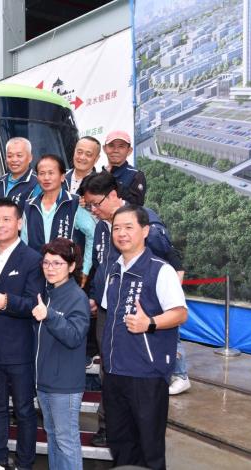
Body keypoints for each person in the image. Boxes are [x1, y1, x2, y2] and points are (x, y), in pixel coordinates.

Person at [79, 171, 184, 446]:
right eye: (88, 205)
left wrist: (158, 314)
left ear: (113, 195)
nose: (93, 209)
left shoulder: (144, 220)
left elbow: (173, 262)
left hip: (139, 312)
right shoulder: (103, 225)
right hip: (107, 309)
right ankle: (109, 426)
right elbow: (101, 264)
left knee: (138, 381)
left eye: (95, 203)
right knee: (110, 370)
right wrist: (94, 294)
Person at [101, 206, 187, 470]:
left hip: (146, 375)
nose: (122, 234)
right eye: (116, 228)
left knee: (149, 449)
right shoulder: (114, 269)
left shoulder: (160, 270)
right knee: (120, 445)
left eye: (129, 227)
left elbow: (180, 313)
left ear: (145, 231)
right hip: (115, 373)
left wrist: (149, 323)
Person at [0, 199, 43, 470]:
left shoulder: (33, 259)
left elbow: (34, 304)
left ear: (19, 223)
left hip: (20, 350)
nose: (0, 224)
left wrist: (6, 302)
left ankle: (25, 463)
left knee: (25, 411)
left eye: (6, 219)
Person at [32, 238, 90, 470]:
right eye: (46, 263)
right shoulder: (48, 293)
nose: (50, 268)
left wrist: (50, 316)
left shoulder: (77, 297)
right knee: (54, 437)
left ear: (72, 266)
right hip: (45, 381)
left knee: (66, 441)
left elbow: (74, 336)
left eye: (57, 263)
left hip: (64, 384)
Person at [20, 155, 95, 275]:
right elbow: (24, 243)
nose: (46, 178)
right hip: (36, 273)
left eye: (51, 173)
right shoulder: (30, 205)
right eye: (42, 173)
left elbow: (92, 234)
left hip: (65, 275)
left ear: (62, 177)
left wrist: (85, 269)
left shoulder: (74, 203)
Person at [103, 130, 146, 206]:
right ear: (104, 149)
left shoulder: (136, 175)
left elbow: (137, 206)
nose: (115, 150)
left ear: (129, 151)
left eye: (121, 146)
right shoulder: (99, 174)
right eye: (111, 145)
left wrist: (113, 182)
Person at [0, 137, 38, 211]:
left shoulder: (37, 183)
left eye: (19, 155)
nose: (14, 160)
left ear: (30, 158)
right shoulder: (1, 181)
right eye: (9, 156)